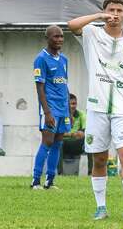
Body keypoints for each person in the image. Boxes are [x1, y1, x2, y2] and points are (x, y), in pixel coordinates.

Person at [68, 0, 123, 221]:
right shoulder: (92, 33)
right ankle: (101, 207)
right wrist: (97, 17)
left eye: (119, 10)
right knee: (100, 159)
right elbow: (71, 25)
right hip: (97, 106)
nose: (114, 13)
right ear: (104, 12)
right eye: (110, 10)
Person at [31, 25, 71, 190]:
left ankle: (50, 181)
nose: (59, 39)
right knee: (47, 141)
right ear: (47, 38)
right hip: (50, 107)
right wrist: (47, 112)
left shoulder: (64, 59)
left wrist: (69, 109)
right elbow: (39, 87)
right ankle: (35, 181)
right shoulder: (40, 58)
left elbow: (65, 85)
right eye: (55, 36)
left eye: (61, 36)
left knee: (58, 143)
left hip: (63, 107)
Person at [59, 93, 92, 175]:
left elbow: (85, 131)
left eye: (74, 103)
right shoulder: (61, 115)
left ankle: (91, 173)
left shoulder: (81, 114)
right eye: (69, 104)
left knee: (90, 142)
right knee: (58, 143)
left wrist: (82, 133)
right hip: (64, 143)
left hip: (77, 143)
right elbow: (57, 133)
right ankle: (60, 174)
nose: (72, 106)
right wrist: (71, 134)